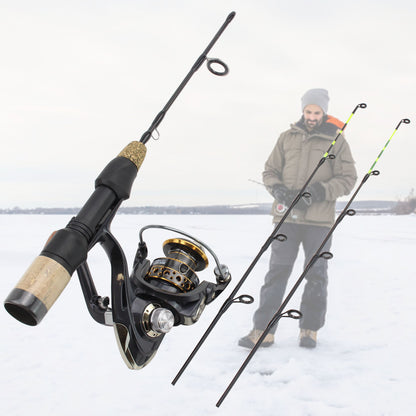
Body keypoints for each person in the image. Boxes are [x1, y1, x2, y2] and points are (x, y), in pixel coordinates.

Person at [239, 88, 357, 349]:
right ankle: (263, 331)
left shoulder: (336, 140)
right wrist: (278, 189)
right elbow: (270, 171)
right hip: (287, 218)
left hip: (319, 221)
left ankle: (309, 330)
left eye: (316, 112)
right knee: (276, 273)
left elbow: (348, 179)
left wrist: (318, 191)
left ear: (324, 112)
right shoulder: (286, 137)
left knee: (317, 274)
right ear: (302, 111)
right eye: (308, 111)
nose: (312, 116)